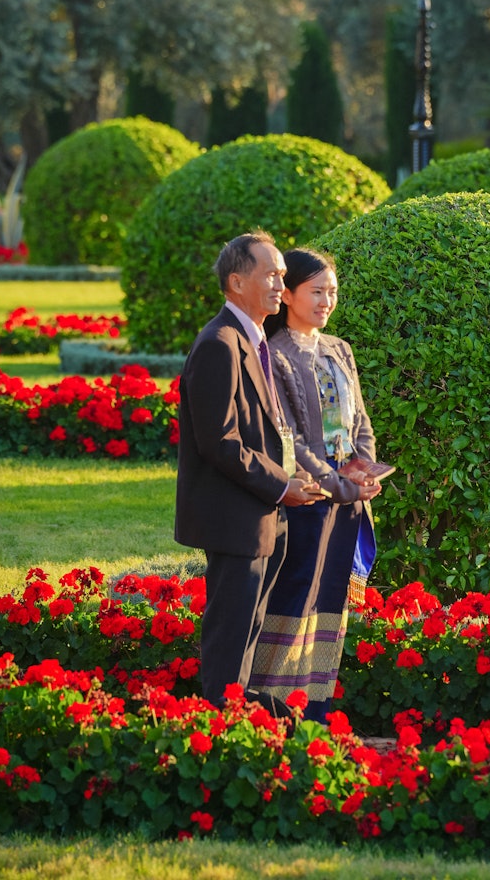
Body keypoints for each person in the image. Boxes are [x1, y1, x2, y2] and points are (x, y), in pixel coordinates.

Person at [175, 231, 321, 708]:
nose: (282, 284)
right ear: (237, 282)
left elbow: (267, 429)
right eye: (271, 274)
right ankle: (219, 729)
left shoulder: (253, 339)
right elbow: (220, 442)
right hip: (235, 518)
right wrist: (283, 487)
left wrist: (294, 479)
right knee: (229, 639)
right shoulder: (220, 343)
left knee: (248, 634)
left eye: (282, 274)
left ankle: (237, 721)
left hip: (260, 513)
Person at [249, 246, 383, 721]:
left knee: (330, 604)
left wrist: (365, 471)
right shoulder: (275, 355)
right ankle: (276, 713)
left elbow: (360, 421)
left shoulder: (338, 349)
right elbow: (291, 440)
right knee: (295, 599)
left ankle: (317, 711)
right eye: (317, 291)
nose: (327, 301)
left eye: (333, 292)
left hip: (347, 502)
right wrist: (338, 484)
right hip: (305, 503)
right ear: (286, 295)